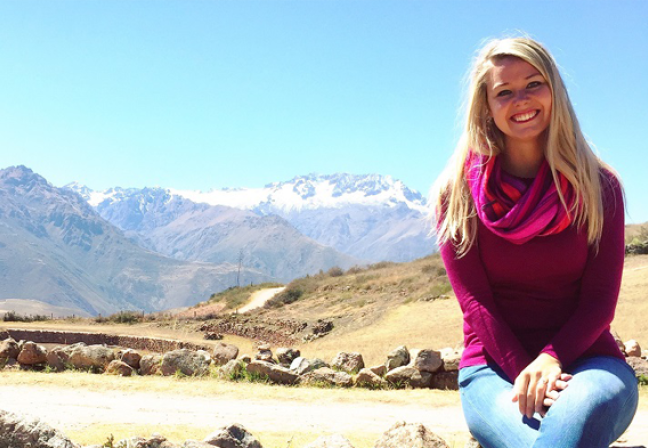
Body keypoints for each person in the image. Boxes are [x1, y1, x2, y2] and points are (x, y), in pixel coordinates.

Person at [432, 36, 638, 448]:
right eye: (504, 92)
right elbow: (476, 304)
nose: (521, 100)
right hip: (492, 370)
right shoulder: (455, 195)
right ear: (486, 108)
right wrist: (527, 372)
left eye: (534, 84)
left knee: (572, 422)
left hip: (591, 365)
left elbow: (599, 302)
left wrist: (550, 358)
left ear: (555, 91)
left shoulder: (600, 188)